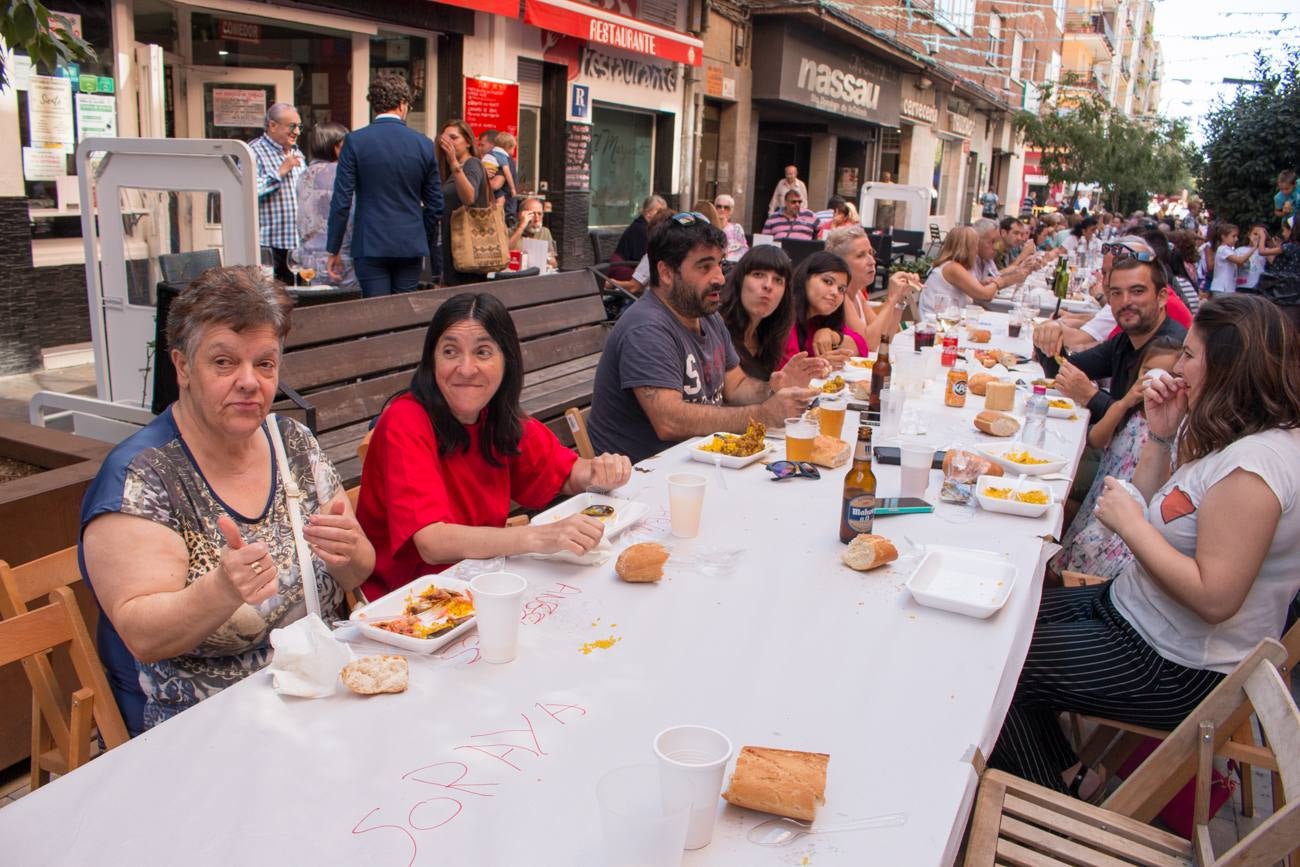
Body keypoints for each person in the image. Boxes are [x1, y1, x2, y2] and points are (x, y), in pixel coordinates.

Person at [990, 294, 1300, 796]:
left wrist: (1132, 527)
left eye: (1190, 355)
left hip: (1174, 662)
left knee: (992, 666)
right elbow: (1163, 507)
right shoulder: (1241, 435)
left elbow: (1216, 598)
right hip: (1135, 612)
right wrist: (1160, 437)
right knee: (1003, 615)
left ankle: (1051, 803)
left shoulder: (1256, 468)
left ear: (1229, 369)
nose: (1178, 366)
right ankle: (1071, 773)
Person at [79, 266, 375, 735]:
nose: (249, 381)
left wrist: (348, 554)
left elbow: (357, 571)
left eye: (265, 363)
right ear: (181, 367)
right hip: (202, 726)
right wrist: (221, 590)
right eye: (223, 362)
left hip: (319, 692)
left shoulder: (292, 442)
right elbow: (142, 635)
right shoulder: (143, 477)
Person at [356, 293, 631, 598]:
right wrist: (538, 537)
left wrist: (598, 472)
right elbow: (431, 543)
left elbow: (565, 471)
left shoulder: (494, 415)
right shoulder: (405, 419)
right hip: (408, 602)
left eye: (483, 352)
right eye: (450, 351)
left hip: (480, 582)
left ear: (506, 360)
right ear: (431, 359)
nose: (466, 368)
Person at [586, 213, 820, 464]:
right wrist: (763, 414)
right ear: (665, 272)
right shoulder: (646, 328)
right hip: (640, 479)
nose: (719, 277)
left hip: (695, 465)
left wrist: (773, 386)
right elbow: (669, 420)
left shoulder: (707, 316)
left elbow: (737, 386)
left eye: (720, 264)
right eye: (705, 266)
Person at [1049, 336, 1183, 582]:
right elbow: (1096, 438)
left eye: (1168, 375)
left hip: (1122, 515)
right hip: (1098, 501)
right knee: (1064, 563)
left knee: (1079, 574)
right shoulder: (1131, 410)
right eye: (1149, 372)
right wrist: (1126, 401)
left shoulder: (1170, 427)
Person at [327, 75, 442, 298]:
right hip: (409, 242)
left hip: (370, 241)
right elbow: (436, 204)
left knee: (376, 312)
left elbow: (341, 200)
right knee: (403, 311)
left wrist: (334, 247)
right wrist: (420, 234)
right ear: (402, 104)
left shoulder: (355, 141)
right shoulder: (423, 144)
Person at [1052, 254, 1189, 423]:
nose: (1125, 301)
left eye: (1137, 291)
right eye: (1116, 293)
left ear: (1161, 298)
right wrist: (1050, 337)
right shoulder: (1128, 338)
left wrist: (1090, 395)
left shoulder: (1171, 350)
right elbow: (1066, 369)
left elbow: (1139, 426)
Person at [720, 245, 820, 382]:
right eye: (758, 275)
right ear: (740, 280)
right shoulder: (717, 327)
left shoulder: (771, 334)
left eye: (778, 280)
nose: (768, 285)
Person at [823, 224, 919, 353]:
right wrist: (891, 299)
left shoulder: (857, 294)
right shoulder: (840, 297)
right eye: (861, 255)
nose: (872, 261)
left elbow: (885, 337)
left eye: (871, 253)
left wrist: (899, 300)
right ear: (840, 263)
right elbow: (868, 344)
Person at [294, 121, 356, 290]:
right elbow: (350, 215)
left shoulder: (304, 175)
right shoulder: (342, 174)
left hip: (308, 259)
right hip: (340, 257)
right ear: (336, 147)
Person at [250, 102, 306, 284]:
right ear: (272, 125)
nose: (297, 132)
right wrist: (280, 172)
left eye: (299, 127)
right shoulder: (253, 152)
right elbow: (249, 192)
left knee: (300, 301)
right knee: (272, 303)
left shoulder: (297, 152)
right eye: (292, 126)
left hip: (297, 243)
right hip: (269, 245)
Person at [780, 251, 860, 368]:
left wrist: (833, 336)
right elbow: (783, 375)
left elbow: (861, 345)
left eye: (841, 289)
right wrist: (819, 365)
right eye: (828, 281)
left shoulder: (817, 320)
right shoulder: (784, 318)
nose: (835, 293)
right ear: (805, 278)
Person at [435, 119, 487, 287]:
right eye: (444, 138)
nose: (448, 143)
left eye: (454, 137)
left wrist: (454, 164)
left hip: (468, 247)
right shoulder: (449, 169)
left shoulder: (472, 164)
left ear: (468, 142)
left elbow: (469, 197)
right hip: (453, 247)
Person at [919, 226, 1007, 320]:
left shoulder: (953, 266)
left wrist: (980, 284)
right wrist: (998, 282)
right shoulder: (952, 268)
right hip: (936, 324)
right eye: (975, 245)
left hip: (945, 320)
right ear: (968, 248)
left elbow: (957, 290)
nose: (977, 250)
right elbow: (985, 295)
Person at [610, 195, 669, 281]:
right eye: (659, 211)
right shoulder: (640, 229)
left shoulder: (647, 227)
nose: (662, 215)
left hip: (631, 265)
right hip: (622, 267)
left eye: (663, 212)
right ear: (648, 212)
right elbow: (641, 258)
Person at [481, 131, 520, 227]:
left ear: (492, 144)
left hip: (501, 216)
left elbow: (495, 185)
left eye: (482, 145)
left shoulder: (500, 159)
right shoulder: (496, 158)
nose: (479, 148)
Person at [508, 196, 557, 270]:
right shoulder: (510, 232)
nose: (537, 219)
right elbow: (505, 252)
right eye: (532, 214)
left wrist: (551, 261)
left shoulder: (545, 232)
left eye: (539, 214)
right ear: (521, 215)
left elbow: (553, 262)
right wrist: (522, 226)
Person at [1207, 222, 1249, 296]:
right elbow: (1240, 260)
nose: (1236, 239)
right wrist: (1255, 248)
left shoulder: (1229, 250)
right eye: (1233, 236)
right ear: (1223, 237)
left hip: (1228, 288)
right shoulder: (1223, 249)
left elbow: (1240, 263)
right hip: (1222, 289)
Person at [1234, 224, 1270, 293]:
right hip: (1242, 286)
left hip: (1259, 287)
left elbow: (1273, 260)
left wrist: (1266, 239)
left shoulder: (1265, 251)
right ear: (1249, 234)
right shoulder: (1239, 250)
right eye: (1255, 234)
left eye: (1260, 236)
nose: (1257, 237)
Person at [714, 194, 749, 262]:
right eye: (719, 206)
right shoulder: (709, 228)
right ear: (714, 208)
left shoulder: (736, 228)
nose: (722, 209)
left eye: (726, 207)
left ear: (731, 211)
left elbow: (744, 250)